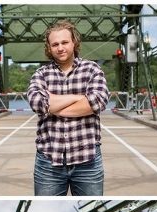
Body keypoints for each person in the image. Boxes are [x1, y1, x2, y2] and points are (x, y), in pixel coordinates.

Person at [27, 20, 109, 196]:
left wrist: (52, 106)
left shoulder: (92, 69)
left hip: (87, 160)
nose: (60, 48)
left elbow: (97, 101)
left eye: (64, 42)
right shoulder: (41, 73)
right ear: (49, 48)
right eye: (55, 44)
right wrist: (77, 98)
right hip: (49, 160)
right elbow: (37, 103)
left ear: (74, 43)